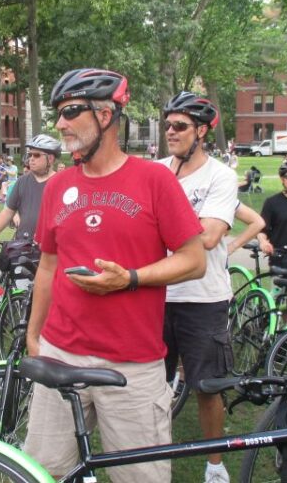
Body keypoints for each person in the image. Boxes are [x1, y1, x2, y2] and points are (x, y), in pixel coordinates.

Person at [24, 69, 205, 482]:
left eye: (71, 112)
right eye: (59, 113)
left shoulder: (154, 179)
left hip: (132, 367)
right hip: (60, 353)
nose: (60, 124)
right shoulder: (58, 186)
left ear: (105, 116)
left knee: (140, 478)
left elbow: (194, 259)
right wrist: (34, 337)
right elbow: (48, 266)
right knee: (43, 474)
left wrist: (131, 278)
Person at [158, 91, 238, 483]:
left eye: (180, 126)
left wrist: (160, 226)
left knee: (207, 386)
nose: (171, 132)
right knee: (151, 383)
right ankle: (153, 455)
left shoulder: (221, 176)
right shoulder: (156, 171)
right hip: (157, 294)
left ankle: (215, 465)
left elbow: (207, 237)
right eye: (168, 125)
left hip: (203, 298)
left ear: (203, 131)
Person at [0, 134, 62, 242]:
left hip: (51, 248)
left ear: (50, 158)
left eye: (36, 155)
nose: (31, 159)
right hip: (23, 245)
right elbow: (8, 212)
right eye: (30, 155)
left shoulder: (61, 183)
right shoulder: (22, 181)